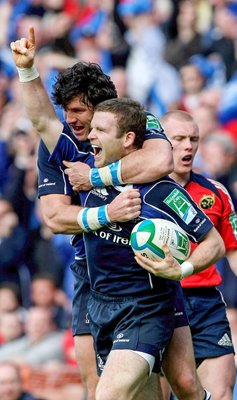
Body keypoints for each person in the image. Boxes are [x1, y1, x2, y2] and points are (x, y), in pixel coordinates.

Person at [10, 27, 174, 400]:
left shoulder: (135, 123)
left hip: (146, 275)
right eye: (66, 111)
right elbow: (54, 217)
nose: (71, 119)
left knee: (171, 384)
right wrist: (27, 70)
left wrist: (95, 177)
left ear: (103, 110)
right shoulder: (58, 146)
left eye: (80, 111)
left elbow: (160, 160)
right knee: (97, 386)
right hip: (91, 277)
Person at [48, 97, 224, 400]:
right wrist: (26, 70)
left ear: (128, 139)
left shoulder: (161, 191)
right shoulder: (86, 176)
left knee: (108, 396)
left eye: (101, 130)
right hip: (101, 308)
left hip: (145, 309)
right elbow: (43, 122)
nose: (91, 136)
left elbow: (214, 243)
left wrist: (183, 268)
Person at [136, 110, 237, 400]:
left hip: (205, 302)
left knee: (220, 394)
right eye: (179, 138)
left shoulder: (215, 192)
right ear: (159, 141)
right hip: (156, 301)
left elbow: (235, 246)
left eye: (193, 139)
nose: (188, 146)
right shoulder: (138, 192)